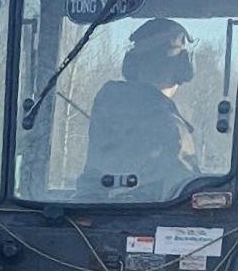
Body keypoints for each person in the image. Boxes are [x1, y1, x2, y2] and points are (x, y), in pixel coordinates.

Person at [77, 17, 200, 197]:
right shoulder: (172, 130)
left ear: (131, 65)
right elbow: (191, 200)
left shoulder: (106, 108)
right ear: (184, 67)